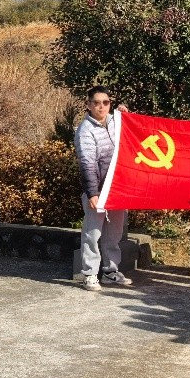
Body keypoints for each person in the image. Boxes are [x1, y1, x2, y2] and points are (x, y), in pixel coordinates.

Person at [74, 86, 133, 291]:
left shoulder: (116, 122)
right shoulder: (85, 131)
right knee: (93, 233)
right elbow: (87, 164)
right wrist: (93, 193)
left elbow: (132, 139)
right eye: (97, 103)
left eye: (106, 103)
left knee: (114, 233)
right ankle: (89, 274)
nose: (101, 107)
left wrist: (126, 117)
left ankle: (110, 271)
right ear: (89, 105)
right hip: (98, 190)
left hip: (117, 188)